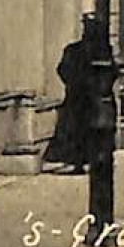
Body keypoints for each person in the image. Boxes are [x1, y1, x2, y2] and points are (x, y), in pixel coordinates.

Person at [43, 15, 98, 173]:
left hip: (77, 97)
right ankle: (84, 161)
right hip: (87, 98)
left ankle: (79, 162)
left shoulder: (74, 50)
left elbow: (61, 70)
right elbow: (61, 70)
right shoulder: (97, 51)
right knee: (82, 131)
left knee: (77, 130)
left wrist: (71, 82)